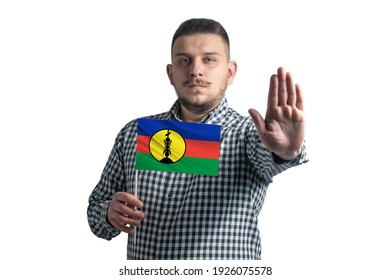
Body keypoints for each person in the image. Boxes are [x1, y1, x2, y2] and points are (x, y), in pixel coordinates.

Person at [87, 18, 308, 260]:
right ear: (171, 73)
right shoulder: (134, 133)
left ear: (230, 71)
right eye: (184, 60)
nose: (195, 70)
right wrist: (109, 213)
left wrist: (286, 150)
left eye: (209, 59)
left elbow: (270, 157)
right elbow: (96, 213)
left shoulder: (248, 135)